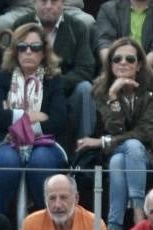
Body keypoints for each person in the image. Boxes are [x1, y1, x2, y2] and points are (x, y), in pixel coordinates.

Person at [75, 37, 153, 230]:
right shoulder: (101, 91)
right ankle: (136, 220)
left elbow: (144, 133)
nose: (123, 63)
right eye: (117, 59)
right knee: (123, 155)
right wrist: (112, 95)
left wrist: (103, 142)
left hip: (150, 155)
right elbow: (114, 127)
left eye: (130, 59)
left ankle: (116, 229)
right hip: (117, 153)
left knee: (132, 148)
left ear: (139, 65)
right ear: (110, 64)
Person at [0, 22, 68, 219]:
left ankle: (48, 224)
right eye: (22, 47)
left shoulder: (53, 80)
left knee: (41, 161)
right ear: (15, 51)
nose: (28, 52)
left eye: (35, 47)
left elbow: (58, 120)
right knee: (7, 161)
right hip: (4, 142)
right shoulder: (1, 78)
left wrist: (13, 116)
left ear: (44, 52)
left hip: (45, 143)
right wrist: (31, 116)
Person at [14, 0, 96, 145]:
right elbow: (10, 65)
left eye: (54, 1)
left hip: (64, 91)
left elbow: (86, 68)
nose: (48, 6)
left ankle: (85, 151)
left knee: (85, 89)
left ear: (63, 3)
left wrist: (55, 84)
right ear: (35, 3)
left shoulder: (77, 27)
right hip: (28, 91)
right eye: (44, 1)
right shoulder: (21, 25)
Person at [94, 0, 153, 79]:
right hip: (114, 73)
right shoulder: (108, 9)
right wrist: (116, 69)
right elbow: (104, 42)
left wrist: (134, 70)